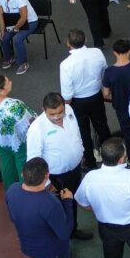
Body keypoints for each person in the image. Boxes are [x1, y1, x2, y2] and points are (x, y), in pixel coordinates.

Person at [76, 138, 130, 258]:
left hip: (107, 228)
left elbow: (81, 201)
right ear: (121, 159)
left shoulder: (90, 177)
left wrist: (95, 209)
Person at [26, 92, 93, 242]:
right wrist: (49, 185)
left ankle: (72, 230)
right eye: (52, 114)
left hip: (75, 170)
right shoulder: (36, 129)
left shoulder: (69, 110)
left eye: (60, 112)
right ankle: (62, 241)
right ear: (43, 109)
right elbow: (33, 160)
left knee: (72, 202)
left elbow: (76, 133)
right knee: (58, 211)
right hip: (55, 178)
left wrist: (80, 151)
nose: (57, 116)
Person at [60, 28, 112, 169]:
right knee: (102, 126)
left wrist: (66, 108)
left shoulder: (65, 65)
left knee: (83, 132)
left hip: (78, 102)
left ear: (68, 43)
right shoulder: (97, 52)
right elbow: (104, 71)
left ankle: (89, 162)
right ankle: (111, 157)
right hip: (96, 96)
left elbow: (67, 95)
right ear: (86, 40)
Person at [0, 74, 36, 189]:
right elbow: (30, 122)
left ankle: (10, 191)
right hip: (17, 142)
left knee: (6, 163)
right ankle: (26, 190)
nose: (11, 82)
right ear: (0, 91)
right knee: (23, 163)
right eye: (8, 82)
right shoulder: (14, 105)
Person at [0, 0, 37, 74]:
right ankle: (9, 58)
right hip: (12, 22)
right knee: (3, 37)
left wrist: (15, 28)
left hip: (29, 22)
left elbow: (24, 17)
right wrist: (2, 30)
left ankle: (24, 63)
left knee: (17, 39)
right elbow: (0, 14)